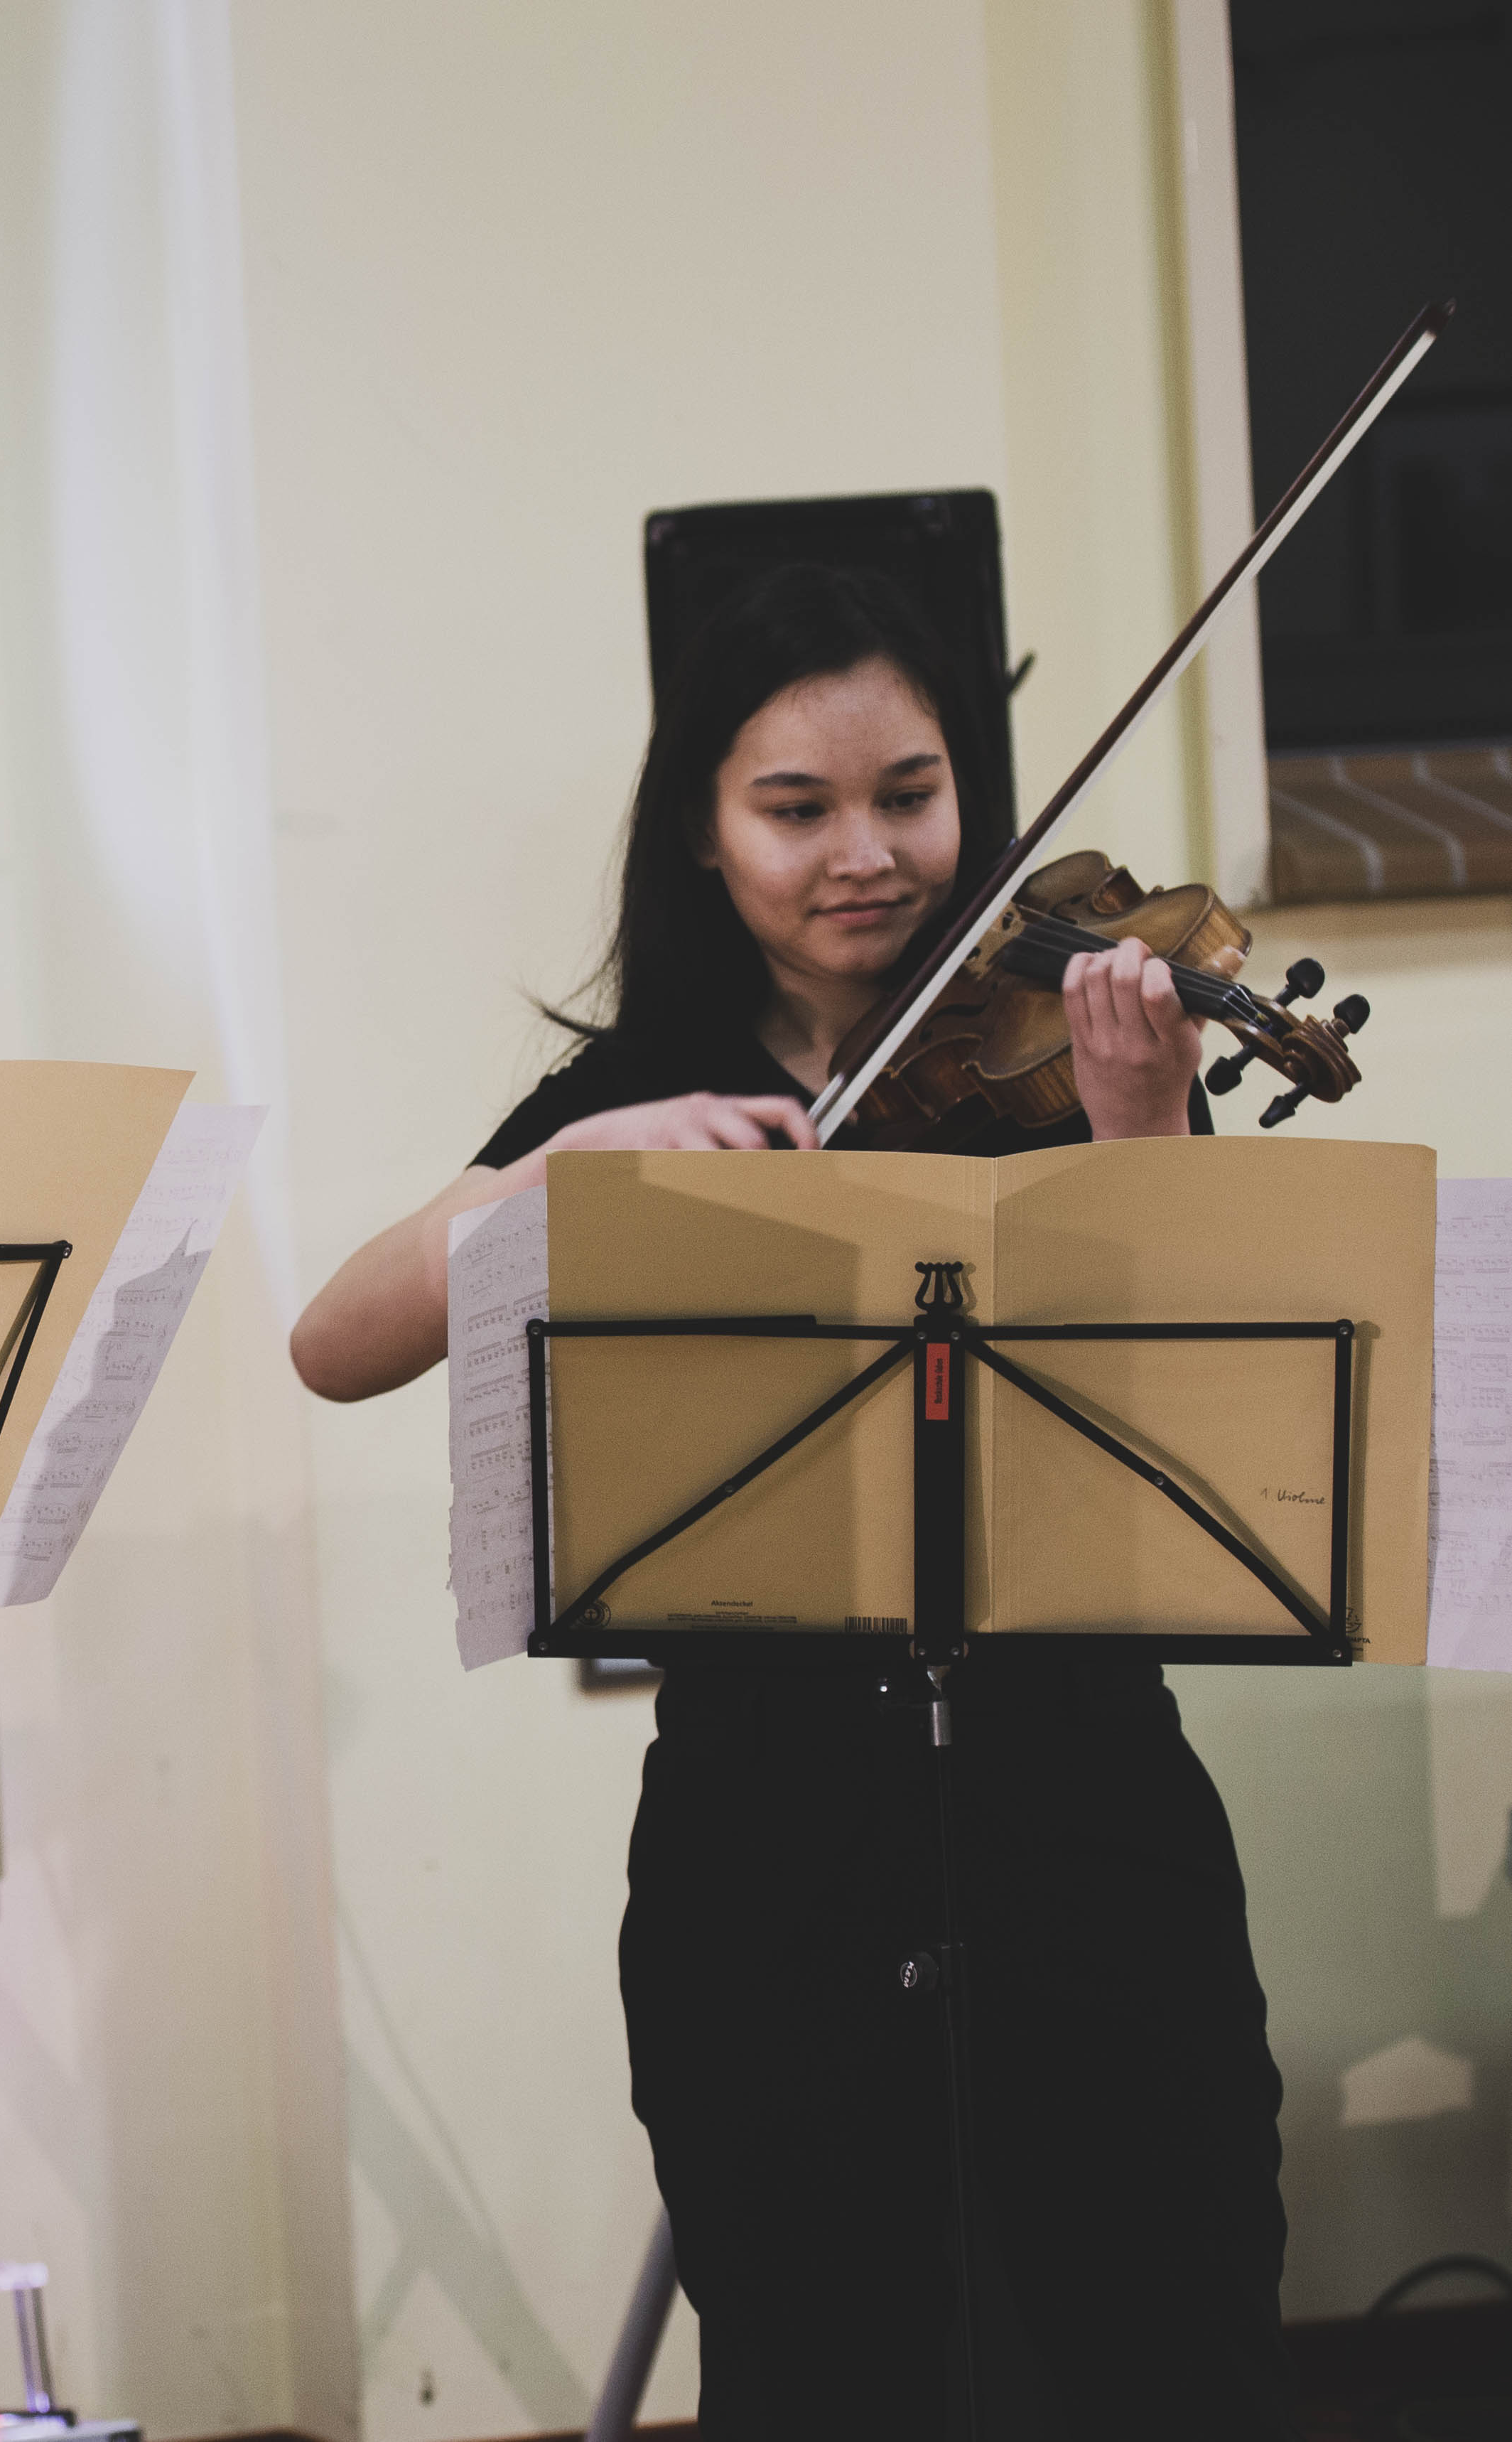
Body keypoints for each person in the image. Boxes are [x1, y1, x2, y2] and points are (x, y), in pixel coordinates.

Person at [291, 566, 1290, 2436]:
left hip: (1083, 1796)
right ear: (702, 829)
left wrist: (1142, 1129)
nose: (866, 854)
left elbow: (1218, 1421)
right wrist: (562, 1174)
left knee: (1171, 2341)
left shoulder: (1071, 1046)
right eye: (795, 806)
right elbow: (331, 1344)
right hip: (768, 1835)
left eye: (910, 794)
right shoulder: (637, 1089)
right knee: (819, 2362)